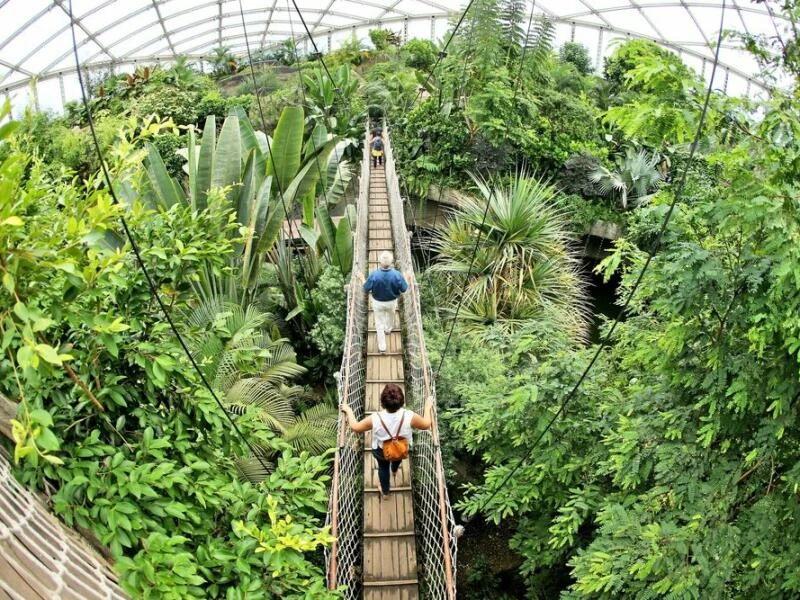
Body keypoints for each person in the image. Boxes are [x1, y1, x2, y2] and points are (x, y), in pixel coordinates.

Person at [341, 383, 432, 500]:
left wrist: (348, 410)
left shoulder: (375, 418)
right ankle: (394, 470)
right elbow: (426, 424)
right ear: (401, 402)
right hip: (401, 448)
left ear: (382, 403)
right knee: (397, 458)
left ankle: (385, 493)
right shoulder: (409, 416)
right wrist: (428, 406)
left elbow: (355, 427)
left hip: (381, 450)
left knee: (383, 469)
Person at [360, 251, 408, 353]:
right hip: (391, 302)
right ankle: (388, 329)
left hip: (378, 303)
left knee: (378, 323)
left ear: (379, 262)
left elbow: (366, 288)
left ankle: (382, 347)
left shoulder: (374, 275)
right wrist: (407, 278)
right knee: (391, 314)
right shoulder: (397, 275)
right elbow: (404, 289)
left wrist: (361, 278)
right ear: (391, 263)